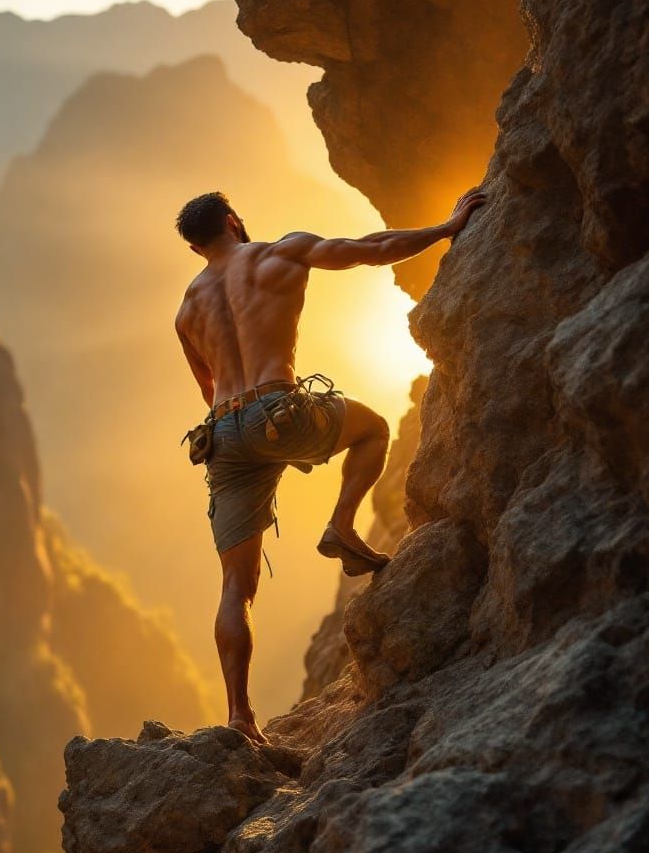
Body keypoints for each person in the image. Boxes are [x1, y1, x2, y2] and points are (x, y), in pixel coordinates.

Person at [174, 188, 487, 742]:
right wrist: (446, 228)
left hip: (221, 434)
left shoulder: (187, 310)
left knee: (236, 587)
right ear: (233, 221)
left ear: (196, 247)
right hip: (278, 408)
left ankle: (239, 716)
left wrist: (246, 436)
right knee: (373, 429)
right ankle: (341, 524)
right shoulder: (280, 253)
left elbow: (207, 387)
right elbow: (372, 248)